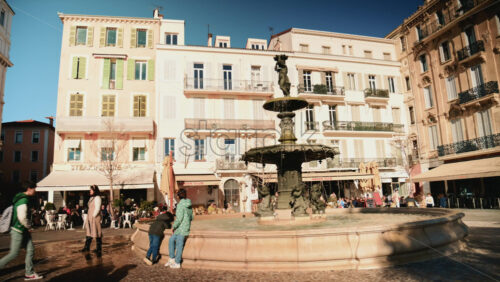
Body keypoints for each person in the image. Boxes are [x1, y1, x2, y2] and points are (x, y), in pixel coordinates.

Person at [0, 181, 43, 280]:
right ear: (29, 189)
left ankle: (29, 273)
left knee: (30, 249)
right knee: (14, 253)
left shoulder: (21, 199)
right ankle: (29, 272)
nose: (35, 191)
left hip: (23, 230)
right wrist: (28, 226)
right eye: (34, 189)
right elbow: (22, 217)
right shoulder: (23, 200)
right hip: (18, 230)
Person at [165, 189, 193, 269]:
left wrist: (174, 226)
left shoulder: (180, 205)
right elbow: (191, 215)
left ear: (178, 196)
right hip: (183, 226)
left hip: (181, 227)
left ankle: (177, 263)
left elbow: (179, 218)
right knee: (171, 240)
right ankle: (172, 259)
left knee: (179, 244)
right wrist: (188, 221)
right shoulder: (188, 203)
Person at [81, 185, 103, 257]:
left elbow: (97, 208)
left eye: (91, 190)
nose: (90, 191)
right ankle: (87, 247)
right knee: (89, 232)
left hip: (95, 217)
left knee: (97, 232)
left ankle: (98, 248)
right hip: (90, 217)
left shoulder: (97, 198)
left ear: (95, 190)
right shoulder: (92, 198)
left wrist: (93, 216)